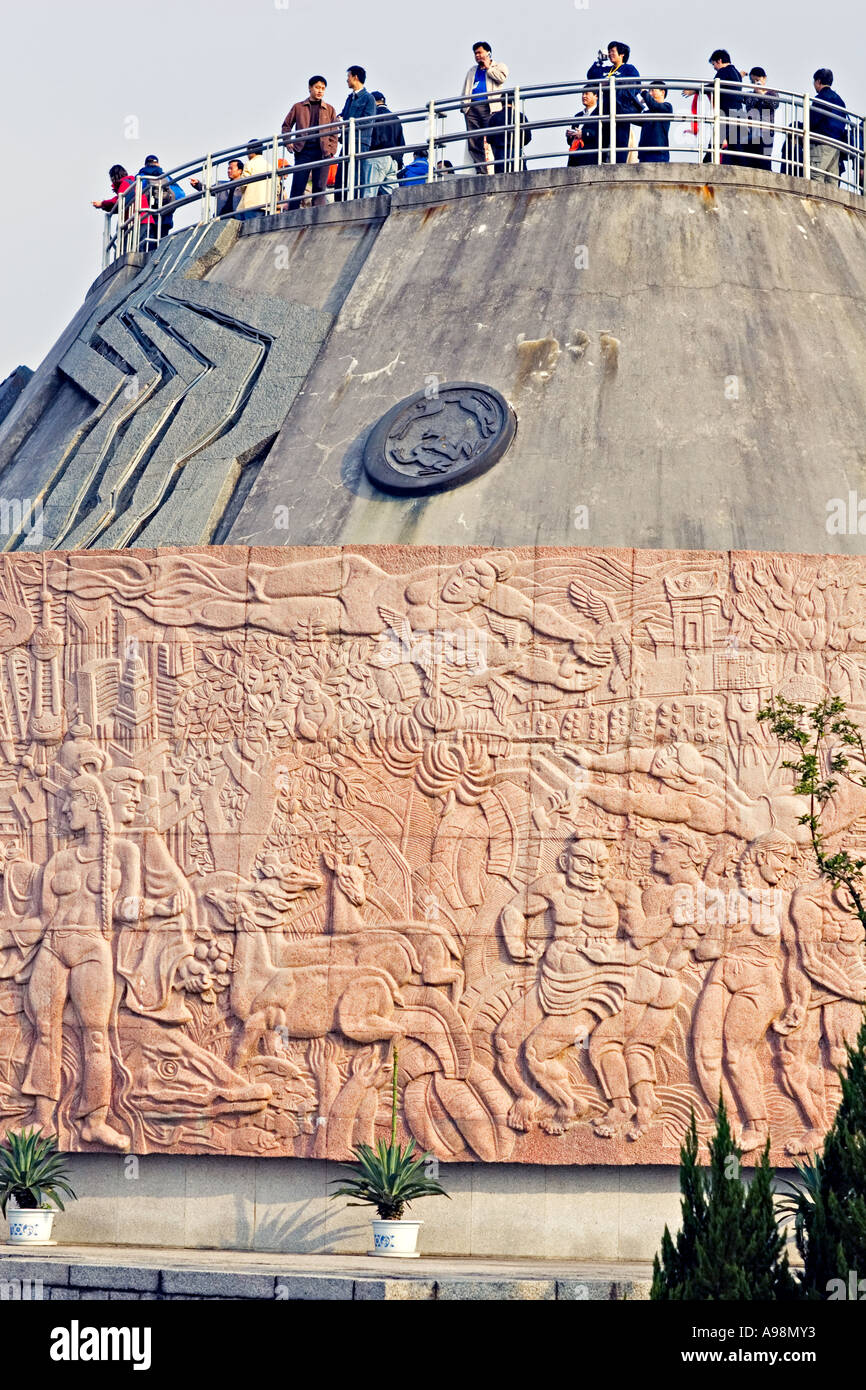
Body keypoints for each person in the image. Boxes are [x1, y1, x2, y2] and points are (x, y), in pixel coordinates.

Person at [282, 75, 339, 210]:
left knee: (319, 186)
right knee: (298, 185)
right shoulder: (298, 107)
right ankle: (292, 213)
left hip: (323, 151)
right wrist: (288, 141)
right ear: (310, 88)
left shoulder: (329, 109)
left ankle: (318, 214)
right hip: (303, 151)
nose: (320, 91)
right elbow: (286, 126)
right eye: (317, 87)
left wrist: (331, 150)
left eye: (323, 89)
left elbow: (334, 131)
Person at [586, 41, 641, 164]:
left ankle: (619, 167)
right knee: (603, 140)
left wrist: (613, 83)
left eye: (613, 51)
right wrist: (599, 60)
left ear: (622, 54)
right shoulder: (606, 69)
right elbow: (591, 75)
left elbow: (635, 85)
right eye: (609, 51)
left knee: (620, 142)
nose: (610, 54)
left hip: (621, 111)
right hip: (605, 110)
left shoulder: (629, 69)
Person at [461, 41, 509, 175]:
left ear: (488, 53)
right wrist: (464, 107)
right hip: (472, 108)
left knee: (493, 138)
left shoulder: (499, 66)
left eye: (479, 52)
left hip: (490, 108)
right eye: (475, 53)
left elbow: (501, 78)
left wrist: (489, 68)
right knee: (474, 141)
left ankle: (498, 168)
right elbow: (466, 88)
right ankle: (481, 171)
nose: (477, 56)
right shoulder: (472, 70)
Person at [92, 164, 155, 253]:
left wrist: (102, 204)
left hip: (140, 220)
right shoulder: (130, 183)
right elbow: (120, 202)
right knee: (140, 248)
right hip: (143, 219)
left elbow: (120, 201)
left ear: (114, 177)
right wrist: (104, 205)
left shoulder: (125, 183)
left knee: (133, 250)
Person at [340, 66, 377, 198]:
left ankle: (355, 200)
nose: (347, 80)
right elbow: (344, 114)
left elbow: (368, 121)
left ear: (355, 77)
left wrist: (349, 123)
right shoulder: (350, 98)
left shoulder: (369, 98)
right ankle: (341, 201)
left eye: (348, 77)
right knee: (342, 175)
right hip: (347, 140)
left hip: (360, 141)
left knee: (357, 175)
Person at [708, 49, 748, 166]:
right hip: (738, 113)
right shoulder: (735, 72)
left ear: (719, 60)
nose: (714, 68)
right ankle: (743, 169)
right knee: (735, 145)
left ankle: (705, 164)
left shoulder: (724, 71)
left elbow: (712, 85)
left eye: (714, 64)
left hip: (727, 113)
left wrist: (694, 91)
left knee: (716, 142)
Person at [810, 68, 847, 184]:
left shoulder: (820, 99)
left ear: (818, 81)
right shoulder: (840, 101)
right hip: (836, 146)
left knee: (816, 177)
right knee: (832, 182)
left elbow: (812, 121)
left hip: (821, 143)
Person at [366, 91, 405, 196]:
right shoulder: (395, 118)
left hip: (376, 157)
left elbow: (372, 138)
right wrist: (398, 161)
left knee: (369, 193)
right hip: (392, 161)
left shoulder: (372, 116)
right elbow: (401, 143)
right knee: (393, 197)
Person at [743, 68, 780, 170]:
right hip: (751, 132)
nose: (755, 83)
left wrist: (761, 93)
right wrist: (739, 77)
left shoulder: (772, 93)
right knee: (749, 162)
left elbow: (775, 104)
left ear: (764, 79)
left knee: (764, 161)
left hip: (766, 132)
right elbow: (735, 96)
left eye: (757, 80)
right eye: (753, 81)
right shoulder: (749, 95)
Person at [636, 82, 673, 162]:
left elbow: (654, 105)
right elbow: (635, 119)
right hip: (644, 154)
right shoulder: (647, 112)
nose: (650, 93)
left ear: (662, 92)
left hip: (658, 153)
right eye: (649, 91)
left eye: (652, 90)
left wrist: (643, 92)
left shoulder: (667, 107)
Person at [566, 87, 601, 166]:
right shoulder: (578, 116)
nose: (583, 96)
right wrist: (570, 135)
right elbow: (569, 142)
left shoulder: (601, 114)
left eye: (587, 93)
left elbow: (601, 134)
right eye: (582, 94)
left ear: (596, 96)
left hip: (591, 160)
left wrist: (583, 134)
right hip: (574, 160)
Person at [237, 140, 271, 220]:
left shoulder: (249, 164)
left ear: (251, 150)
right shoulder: (270, 166)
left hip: (251, 204)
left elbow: (243, 183)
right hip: (267, 205)